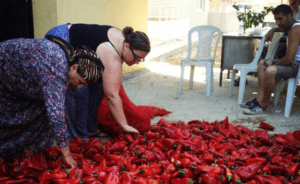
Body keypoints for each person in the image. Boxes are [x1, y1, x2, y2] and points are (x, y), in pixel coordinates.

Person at [0, 35, 104, 167]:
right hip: (4, 73)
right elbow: (56, 115)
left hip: (17, 78)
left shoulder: (66, 61)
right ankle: (8, 154)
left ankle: (28, 155)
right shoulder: (57, 68)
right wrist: (66, 152)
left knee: (41, 113)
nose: (78, 87)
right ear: (74, 68)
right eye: (80, 82)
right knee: (9, 116)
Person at [44, 24, 151, 138]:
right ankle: (74, 137)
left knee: (98, 87)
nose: (137, 62)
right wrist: (124, 125)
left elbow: (107, 88)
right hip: (59, 39)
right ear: (127, 46)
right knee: (77, 90)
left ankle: (91, 128)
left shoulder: (126, 41)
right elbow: (112, 95)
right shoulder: (111, 53)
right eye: (136, 57)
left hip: (73, 43)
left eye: (141, 59)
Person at [242, 4, 300, 115]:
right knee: (262, 64)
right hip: (291, 63)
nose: (278, 22)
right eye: (276, 19)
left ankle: (264, 104)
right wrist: (273, 29)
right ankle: (259, 100)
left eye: (280, 19)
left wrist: (274, 65)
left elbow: (288, 60)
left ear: (290, 16)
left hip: (295, 66)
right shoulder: (292, 26)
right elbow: (282, 27)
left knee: (270, 70)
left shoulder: (296, 30)